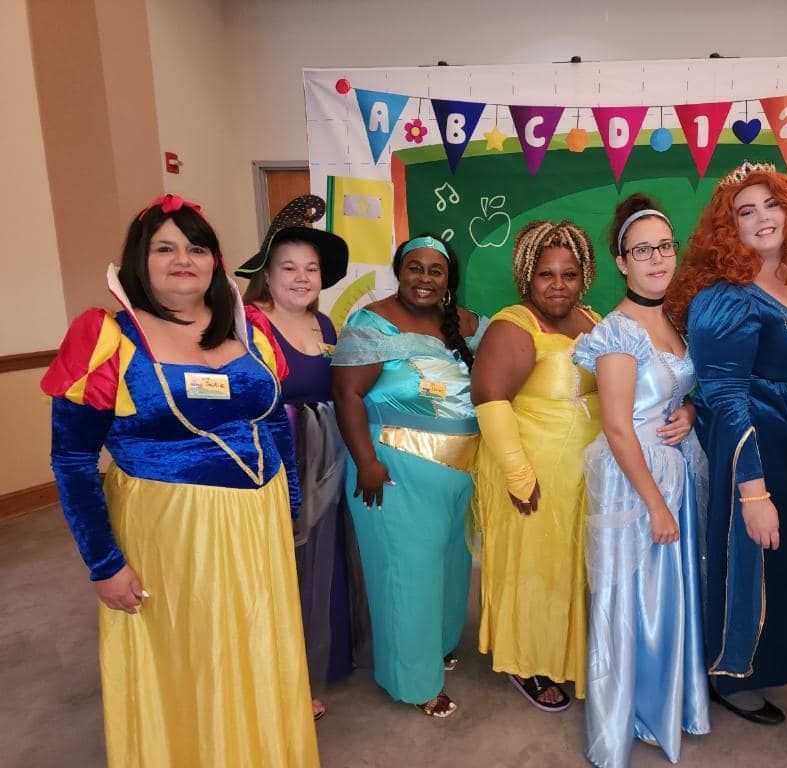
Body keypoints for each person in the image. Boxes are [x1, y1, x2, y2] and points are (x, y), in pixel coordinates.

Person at [41, 194, 318, 766]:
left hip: (256, 524)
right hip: (170, 530)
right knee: (189, 656)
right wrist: (105, 563)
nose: (182, 259)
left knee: (257, 645)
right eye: (164, 248)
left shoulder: (252, 329)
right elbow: (71, 460)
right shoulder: (108, 338)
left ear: (216, 262)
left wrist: (290, 509)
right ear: (138, 261)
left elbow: (273, 430)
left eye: (196, 247)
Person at [665, 161, 787, 725]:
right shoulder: (728, 296)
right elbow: (726, 395)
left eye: (773, 205)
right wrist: (752, 492)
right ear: (728, 228)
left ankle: (782, 660)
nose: (763, 218)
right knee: (752, 556)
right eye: (746, 211)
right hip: (755, 448)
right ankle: (730, 673)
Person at [574, 195, 710, 767]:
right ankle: (620, 719)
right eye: (642, 250)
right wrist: (656, 506)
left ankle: (666, 703)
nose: (657, 258)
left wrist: (692, 413)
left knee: (669, 596)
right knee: (629, 600)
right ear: (622, 261)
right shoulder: (619, 331)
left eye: (664, 246)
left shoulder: (674, 318)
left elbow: (676, 391)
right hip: (636, 480)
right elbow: (617, 426)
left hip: (676, 468)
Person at [331, 234, 484, 717]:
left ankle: (437, 646)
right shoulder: (371, 321)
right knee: (407, 575)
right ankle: (415, 683)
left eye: (435, 270)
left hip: (459, 471)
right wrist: (366, 462)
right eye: (414, 267)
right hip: (393, 468)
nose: (424, 278)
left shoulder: (461, 322)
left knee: (449, 568)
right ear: (400, 271)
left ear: (448, 278)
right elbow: (347, 394)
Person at [471, 219, 600, 711]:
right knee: (533, 570)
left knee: (570, 569)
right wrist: (519, 475)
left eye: (569, 274)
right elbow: (489, 397)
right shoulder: (515, 324)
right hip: (533, 474)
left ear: (584, 276)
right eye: (546, 274)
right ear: (527, 275)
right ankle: (526, 662)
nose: (558, 285)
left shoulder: (592, 318)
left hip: (583, 476)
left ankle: (566, 651)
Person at [236, 194, 352, 721]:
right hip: (276, 454)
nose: (302, 278)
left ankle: (313, 658)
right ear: (267, 271)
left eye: (311, 268)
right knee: (275, 562)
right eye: (289, 267)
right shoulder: (247, 323)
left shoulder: (325, 326)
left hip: (325, 451)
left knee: (319, 558)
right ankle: (277, 678)